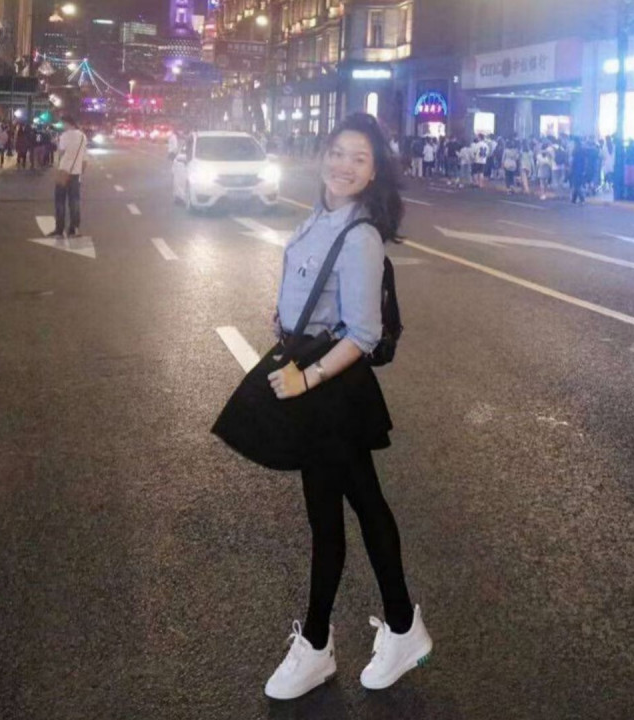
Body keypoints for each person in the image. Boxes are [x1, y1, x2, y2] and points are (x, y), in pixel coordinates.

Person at [212, 112, 433, 701]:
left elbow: (363, 333)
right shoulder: (319, 216)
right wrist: (287, 321)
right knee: (359, 506)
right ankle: (397, 628)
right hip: (321, 381)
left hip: (332, 391)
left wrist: (306, 378)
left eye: (359, 158)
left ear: (374, 172)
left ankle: (319, 645)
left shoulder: (359, 236)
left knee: (334, 515)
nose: (343, 165)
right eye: (337, 152)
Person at [49, 115, 87, 239]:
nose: (63, 126)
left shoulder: (64, 136)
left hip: (64, 171)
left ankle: (59, 230)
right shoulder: (83, 136)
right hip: (76, 173)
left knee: (60, 201)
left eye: (63, 124)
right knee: (74, 201)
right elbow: (84, 157)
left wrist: (57, 144)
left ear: (67, 123)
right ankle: (74, 229)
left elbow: (61, 152)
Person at [569, 138, 586, 205]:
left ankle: (581, 199)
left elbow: (572, 161)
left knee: (576, 185)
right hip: (580, 170)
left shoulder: (575, 151)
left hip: (576, 170)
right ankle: (574, 199)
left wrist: (571, 168)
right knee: (577, 185)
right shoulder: (582, 151)